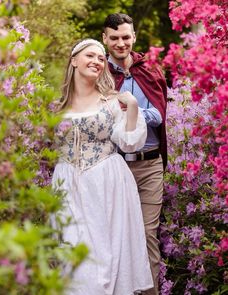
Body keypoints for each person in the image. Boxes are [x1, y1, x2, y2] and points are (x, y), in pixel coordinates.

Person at [52, 38, 154, 295]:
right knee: (73, 263)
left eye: (101, 58)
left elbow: (130, 144)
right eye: (90, 55)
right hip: (67, 189)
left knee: (104, 267)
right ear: (74, 61)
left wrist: (132, 106)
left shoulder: (112, 102)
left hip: (106, 186)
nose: (97, 61)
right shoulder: (56, 106)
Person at [102, 14, 167, 295]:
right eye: (114, 37)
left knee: (146, 234)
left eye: (126, 37)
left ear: (134, 37)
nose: (121, 43)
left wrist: (133, 111)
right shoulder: (98, 73)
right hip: (114, 166)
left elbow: (160, 114)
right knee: (115, 236)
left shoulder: (149, 72)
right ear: (105, 38)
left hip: (149, 165)